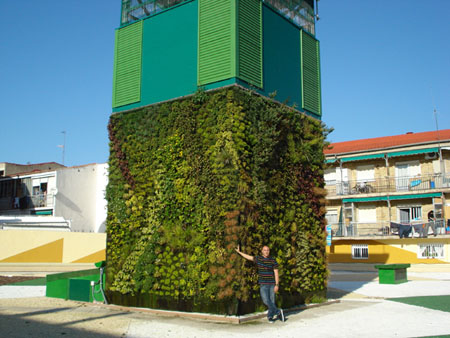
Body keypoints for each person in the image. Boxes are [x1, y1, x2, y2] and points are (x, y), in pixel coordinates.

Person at [236, 245, 285, 323]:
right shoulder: (259, 259)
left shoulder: (273, 260)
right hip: (263, 284)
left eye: (268, 250)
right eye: (265, 250)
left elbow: (276, 273)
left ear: (269, 251)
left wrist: (277, 285)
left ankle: (270, 316)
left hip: (272, 284)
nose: (266, 251)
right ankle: (278, 312)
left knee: (272, 301)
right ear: (262, 251)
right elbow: (249, 257)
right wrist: (239, 252)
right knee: (266, 300)